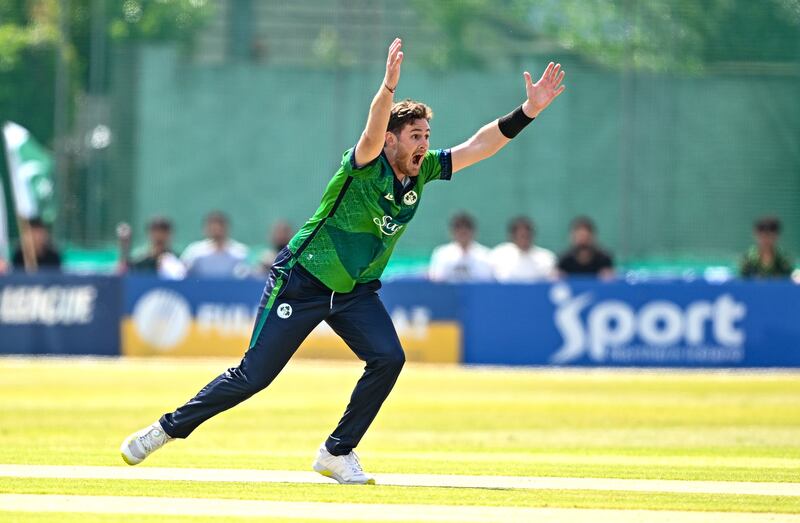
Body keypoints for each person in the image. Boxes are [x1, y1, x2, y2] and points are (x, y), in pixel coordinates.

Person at [121, 38, 566, 484]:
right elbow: (372, 131)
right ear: (392, 140)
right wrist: (387, 88)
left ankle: (336, 452)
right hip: (302, 278)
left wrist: (528, 111)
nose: (424, 145)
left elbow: (479, 146)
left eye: (427, 136)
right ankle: (164, 430)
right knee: (253, 376)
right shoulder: (365, 162)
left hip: (354, 291)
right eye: (415, 136)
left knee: (389, 358)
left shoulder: (422, 170)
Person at [181, 211, 249, 278]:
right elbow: (182, 273)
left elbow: (246, 276)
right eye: (213, 228)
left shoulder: (240, 251)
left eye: (220, 227)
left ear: (227, 229)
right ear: (206, 229)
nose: (217, 231)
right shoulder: (194, 251)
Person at [429, 213, 493, 282]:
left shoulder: (485, 254)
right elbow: (435, 278)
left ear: (474, 231)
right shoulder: (441, 253)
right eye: (458, 227)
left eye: (467, 227)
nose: (463, 231)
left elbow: (487, 280)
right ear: (451, 232)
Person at [490, 216, 556, 282]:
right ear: (512, 236)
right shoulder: (498, 255)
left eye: (528, 236)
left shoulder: (546, 257)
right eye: (521, 236)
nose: (524, 240)